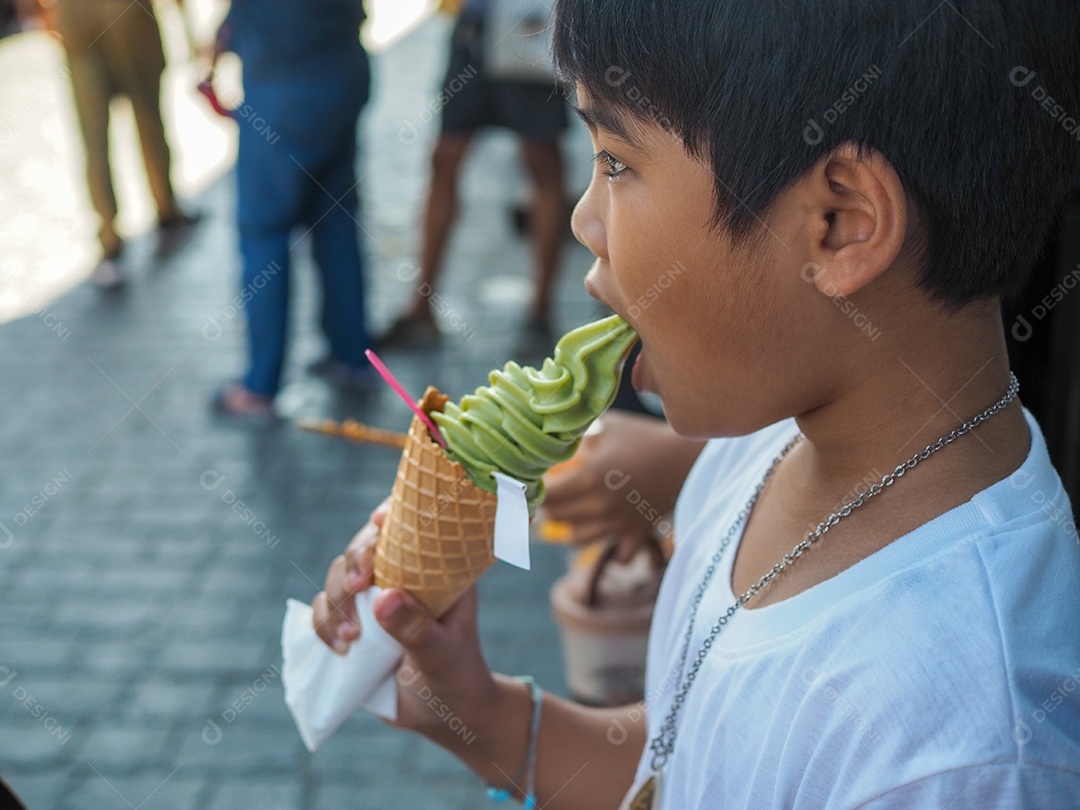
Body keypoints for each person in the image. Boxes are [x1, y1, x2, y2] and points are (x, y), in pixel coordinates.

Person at [312, 0, 1080, 807]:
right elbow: (681, 764)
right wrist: (473, 710)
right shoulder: (768, 446)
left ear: (841, 223)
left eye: (614, 161)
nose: (583, 221)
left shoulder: (960, 756)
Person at [211, 0, 375, 420]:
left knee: (264, 233)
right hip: (342, 76)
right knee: (336, 220)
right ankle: (352, 358)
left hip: (281, 91)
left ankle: (259, 386)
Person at [379, 0, 569, 350]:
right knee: (444, 160)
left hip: (529, 26)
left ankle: (541, 311)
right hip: (476, 31)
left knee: (541, 164)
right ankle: (421, 308)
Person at [54, 0, 198, 288]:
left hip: (72, 14)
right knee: (147, 115)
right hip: (123, 12)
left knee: (94, 136)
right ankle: (165, 211)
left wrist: (40, 12)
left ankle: (110, 238)